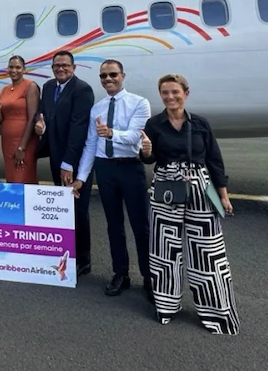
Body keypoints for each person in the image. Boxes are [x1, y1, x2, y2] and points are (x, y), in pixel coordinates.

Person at [140, 73, 239, 334]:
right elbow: (148, 160)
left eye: (175, 92)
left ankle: (216, 311)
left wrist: (223, 195)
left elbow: (215, 161)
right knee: (164, 251)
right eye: (165, 93)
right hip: (166, 189)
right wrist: (147, 151)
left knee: (208, 251)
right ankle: (166, 306)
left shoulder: (201, 124)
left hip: (199, 187)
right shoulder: (154, 124)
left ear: (186, 93)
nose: (170, 97)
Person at [75, 60, 152, 298]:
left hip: (130, 168)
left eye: (112, 75)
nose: (108, 79)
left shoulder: (139, 103)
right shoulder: (96, 108)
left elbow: (134, 138)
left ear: (122, 76)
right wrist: (81, 178)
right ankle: (121, 273)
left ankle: (150, 277)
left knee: (141, 226)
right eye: (103, 76)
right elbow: (90, 144)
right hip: (105, 169)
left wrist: (111, 133)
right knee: (113, 225)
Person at [34, 50, 94, 276]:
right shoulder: (49, 87)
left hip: (74, 160)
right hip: (56, 156)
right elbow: (43, 112)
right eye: (56, 65)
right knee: (63, 209)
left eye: (65, 65)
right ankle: (68, 252)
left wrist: (69, 163)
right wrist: (40, 123)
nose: (60, 69)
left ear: (73, 67)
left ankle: (83, 260)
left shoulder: (82, 90)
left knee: (78, 210)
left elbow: (79, 129)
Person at [0, 55, 40, 184]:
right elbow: (0, 120)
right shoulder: (5, 90)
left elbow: (32, 118)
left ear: (24, 69)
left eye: (18, 67)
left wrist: (22, 148)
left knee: (22, 178)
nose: (14, 70)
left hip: (24, 142)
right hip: (8, 142)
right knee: (12, 178)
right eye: (11, 67)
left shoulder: (30, 86)